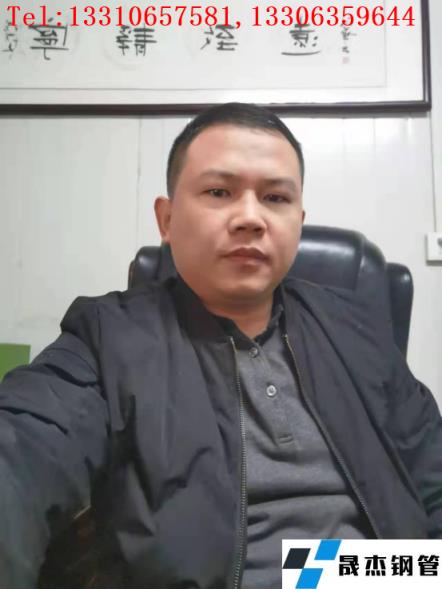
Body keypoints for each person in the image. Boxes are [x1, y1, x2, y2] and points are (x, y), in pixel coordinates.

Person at [1, 102, 441, 589]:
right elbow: (22, 449)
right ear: (166, 219)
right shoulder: (109, 337)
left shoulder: (356, 329)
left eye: (275, 197)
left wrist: (398, 572)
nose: (250, 217)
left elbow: (432, 473)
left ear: (298, 220)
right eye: (219, 192)